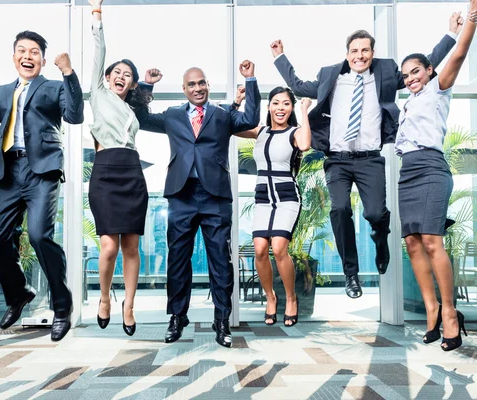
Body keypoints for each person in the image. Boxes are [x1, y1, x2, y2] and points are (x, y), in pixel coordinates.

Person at [272, 14, 461, 299]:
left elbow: (425, 65)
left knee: (374, 213)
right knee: (339, 209)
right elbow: (298, 86)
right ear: (346, 55)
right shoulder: (329, 77)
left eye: (365, 50)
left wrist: (450, 34)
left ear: (372, 53)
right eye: (354, 51)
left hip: (370, 159)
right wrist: (280, 56)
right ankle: (351, 273)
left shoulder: (385, 75)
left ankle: (380, 238)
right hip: (337, 159)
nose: (359, 55)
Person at [136, 63, 261, 348]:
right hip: (181, 194)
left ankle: (222, 319)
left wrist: (250, 79)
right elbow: (141, 118)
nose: (197, 88)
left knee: (220, 260)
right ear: (184, 89)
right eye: (191, 85)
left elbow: (251, 117)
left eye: (201, 83)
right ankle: (178, 317)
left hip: (215, 195)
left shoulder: (223, 114)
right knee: (178, 259)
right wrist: (147, 86)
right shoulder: (172, 116)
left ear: (208, 85)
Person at [0, 30, 84, 341]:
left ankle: (62, 308)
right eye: (22, 51)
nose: (28, 56)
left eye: (34, 52)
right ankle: (19, 293)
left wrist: (68, 72)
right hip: (9, 171)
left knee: (39, 235)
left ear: (43, 60)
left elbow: (74, 115)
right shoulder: (2, 91)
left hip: (42, 170)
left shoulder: (53, 87)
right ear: (14, 57)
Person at [397, 4, 477, 351]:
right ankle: (431, 310)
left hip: (431, 168)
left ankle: (449, 314)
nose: (411, 78)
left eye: (416, 72)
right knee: (413, 243)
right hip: (407, 172)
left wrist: (468, 23)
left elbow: (458, 55)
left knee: (432, 241)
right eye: (406, 76)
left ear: (429, 71)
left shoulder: (437, 89)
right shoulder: (408, 103)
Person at [89, 0, 151, 336]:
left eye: (127, 76)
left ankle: (129, 302)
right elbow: (99, 52)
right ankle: (103, 298)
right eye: (117, 72)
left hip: (132, 171)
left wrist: (149, 87)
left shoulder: (132, 110)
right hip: (105, 170)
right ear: (108, 76)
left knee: (131, 246)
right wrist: (97, 13)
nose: (120, 77)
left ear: (131, 84)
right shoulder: (97, 94)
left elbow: (144, 103)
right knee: (108, 245)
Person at [237, 87, 311, 327]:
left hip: (287, 195)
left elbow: (306, 144)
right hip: (263, 197)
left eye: (286, 104)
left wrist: (305, 110)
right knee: (260, 249)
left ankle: (291, 298)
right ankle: (271, 297)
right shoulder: (260, 131)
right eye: (276, 103)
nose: (281, 108)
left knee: (279, 248)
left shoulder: (295, 132)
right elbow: (231, 126)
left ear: (291, 108)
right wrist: (238, 102)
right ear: (268, 107)